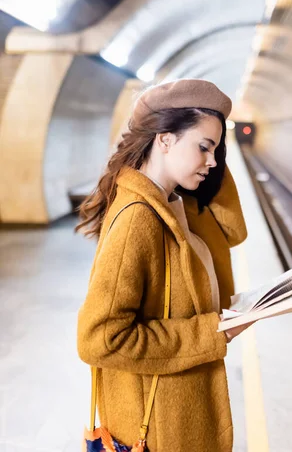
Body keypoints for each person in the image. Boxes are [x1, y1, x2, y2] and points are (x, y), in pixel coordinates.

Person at [77, 78, 248, 451]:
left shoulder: (175, 205)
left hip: (176, 417)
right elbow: (99, 339)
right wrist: (214, 332)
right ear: (165, 139)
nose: (213, 161)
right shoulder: (139, 217)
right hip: (158, 431)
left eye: (216, 150)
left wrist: (208, 167)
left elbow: (234, 230)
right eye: (204, 147)